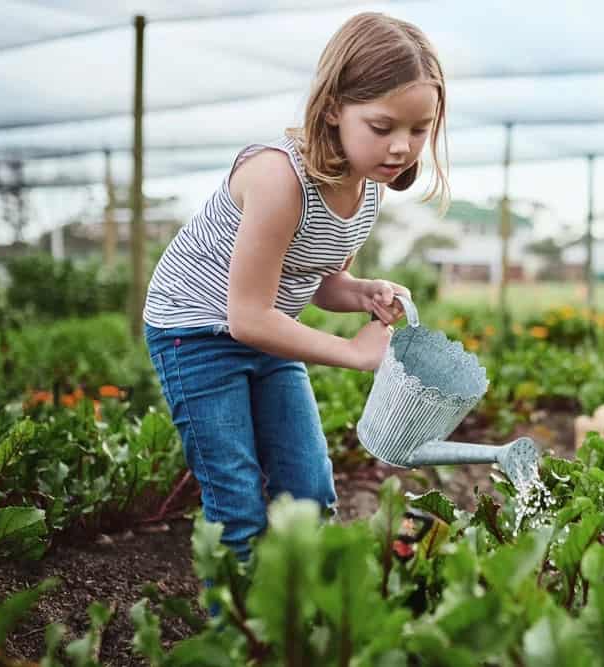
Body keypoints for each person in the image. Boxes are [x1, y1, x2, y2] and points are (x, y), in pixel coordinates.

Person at [142, 13, 448, 560]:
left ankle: (299, 602)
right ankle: (239, 614)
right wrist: (353, 353)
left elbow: (323, 282)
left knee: (308, 491)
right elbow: (247, 317)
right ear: (332, 108)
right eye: (382, 128)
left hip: (267, 332)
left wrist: (363, 292)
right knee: (237, 506)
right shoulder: (279, 178)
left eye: (418, 130)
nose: (401, 147)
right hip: (195, 334)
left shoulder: (368, 188)